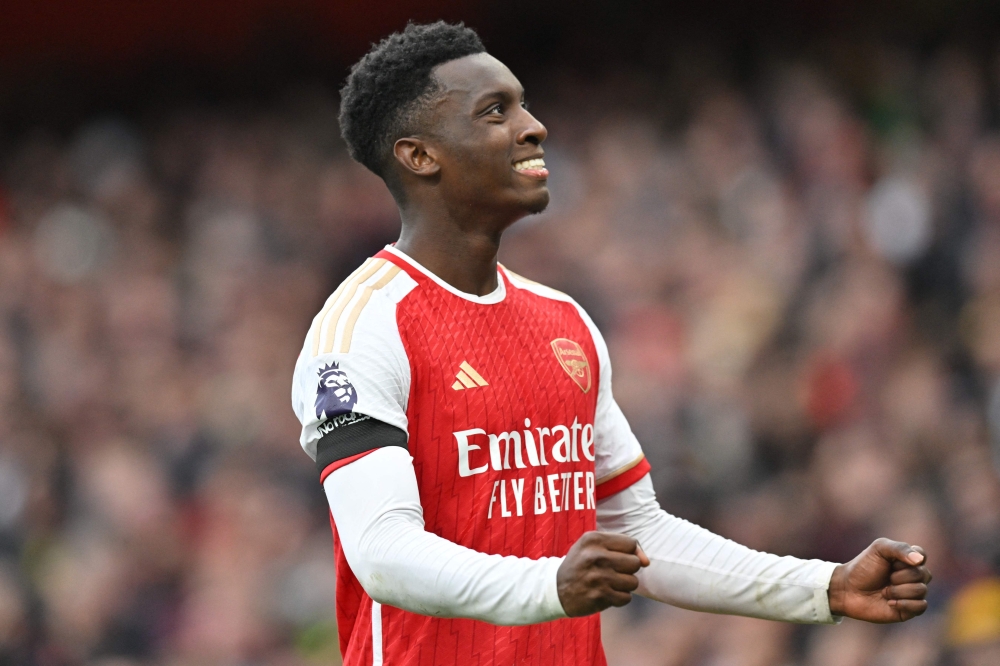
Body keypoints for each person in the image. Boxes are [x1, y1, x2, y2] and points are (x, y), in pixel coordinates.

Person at [290, 21, 932, 666]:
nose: (533, 127)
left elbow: (635, 531)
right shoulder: (360, 329)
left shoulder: (562, 320)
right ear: (420, 155)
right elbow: (382, 551)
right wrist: (550, 586)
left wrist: (825, 587)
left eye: (523, 104)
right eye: (495, 112)